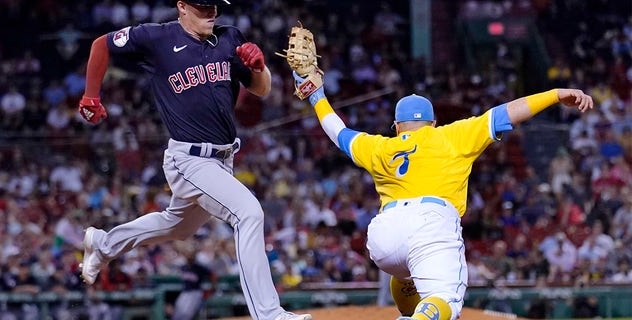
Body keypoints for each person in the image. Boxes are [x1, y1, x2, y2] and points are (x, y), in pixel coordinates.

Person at [76, 1, 313, 320]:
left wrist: (259, 67)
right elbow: (100, 44)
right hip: (188, 158)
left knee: (177, 226)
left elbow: (262, 89)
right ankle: (269, 314)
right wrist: (91, 94)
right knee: (248, 214)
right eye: (202, 7)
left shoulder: (230, 38)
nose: (211, 12)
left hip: (224, 159)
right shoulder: (155, 37)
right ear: (182, 7)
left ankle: (104, 244)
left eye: (214, 6)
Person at [292, 71, 593, 320]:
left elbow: (338, 132)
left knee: (407, 275)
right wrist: (554, 94)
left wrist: (317, 96)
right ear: (433, 123)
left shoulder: (380, 146)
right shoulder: (451, 135)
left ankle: (412, 315)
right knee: (447, 301)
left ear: (397, 127)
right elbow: (508, 113)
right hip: (431, 224)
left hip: (384, 238)